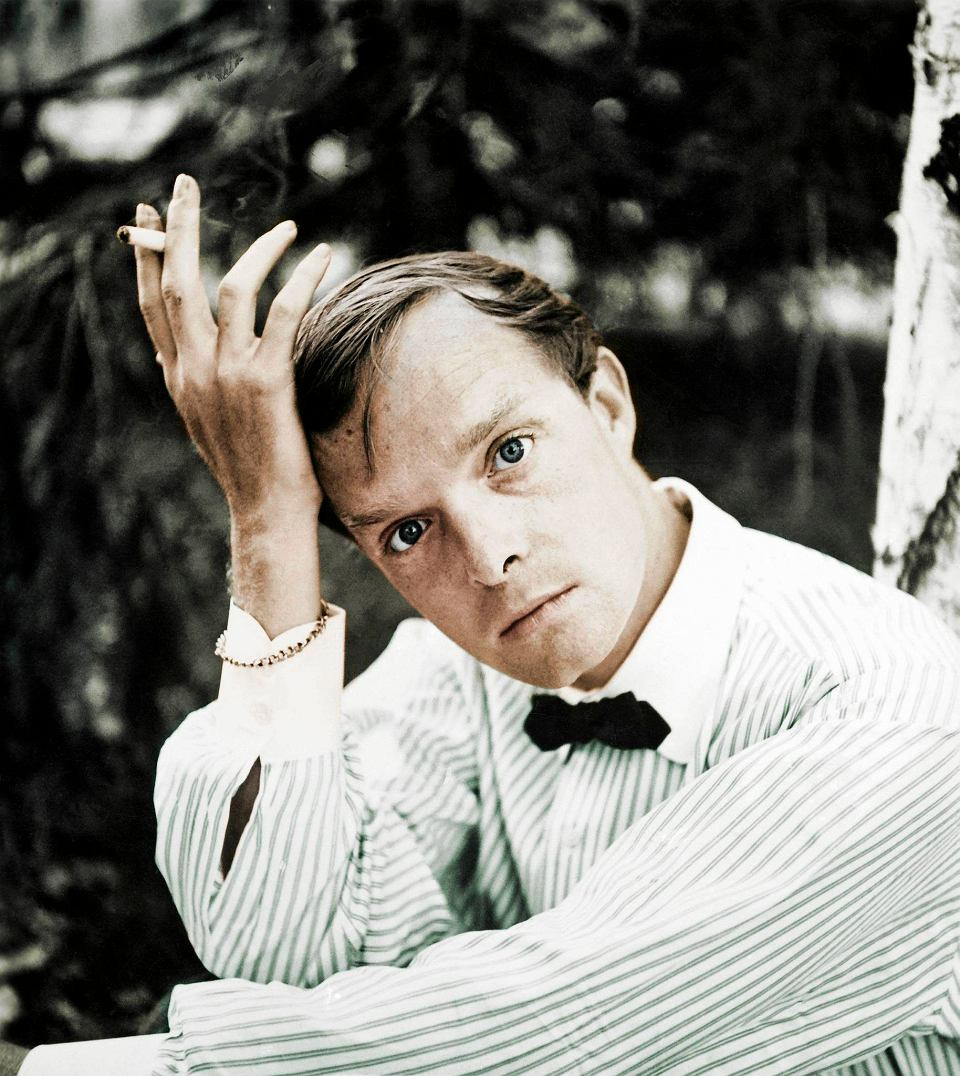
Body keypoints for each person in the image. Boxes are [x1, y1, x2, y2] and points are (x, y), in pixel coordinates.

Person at [16, 173, 960, 1075]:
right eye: (406, 530)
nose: (488, 558)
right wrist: (266, 518)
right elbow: (281, 944)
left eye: (509, 452)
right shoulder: (453, 670)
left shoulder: (894, 711)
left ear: (606, 405)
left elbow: (556, 1035)